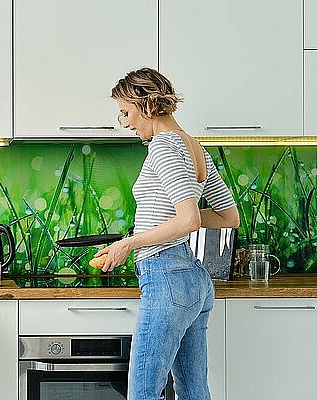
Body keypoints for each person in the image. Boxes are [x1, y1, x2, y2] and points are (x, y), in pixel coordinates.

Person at [94, 67, 240, 400]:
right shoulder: (196, 148)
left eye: (125, 112)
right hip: (195, 281)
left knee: (143, 391)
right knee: (192, 389)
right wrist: (171, 217)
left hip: (166, 276)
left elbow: (188, 220)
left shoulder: (163, 146)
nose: (126, 122)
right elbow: (227, 216)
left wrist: (127, 244)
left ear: (145, 104)